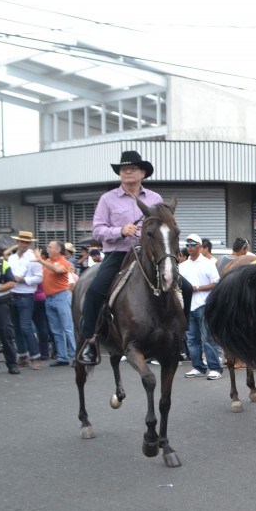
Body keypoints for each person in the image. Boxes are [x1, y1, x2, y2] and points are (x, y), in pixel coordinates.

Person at [78, 151, 191, 365]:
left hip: (149, 255)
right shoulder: (107, 199)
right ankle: (90, 341)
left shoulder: (155, 199)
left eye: (132, 168)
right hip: (119, 254)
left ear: (143, 173)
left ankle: (180, 335)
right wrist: (120, 231)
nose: (127, 171)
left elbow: (165, 228)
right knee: (94, 291)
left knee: (184, 287)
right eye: (123, 169)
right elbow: (97, 230)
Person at [179, 234, 223, 380]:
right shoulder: (182, 265)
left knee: (207, 339)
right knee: (192, 339)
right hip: (188, 306)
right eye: (187, 245)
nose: (189, 247)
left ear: (199, 246)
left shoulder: (208, 263)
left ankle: (215, 368)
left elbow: (216, 283)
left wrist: (197, 288)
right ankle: (197, 366)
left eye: (192, 244)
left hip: (203, 305)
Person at [6, 230, 43, 370]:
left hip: (26, 295)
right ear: (18, 242)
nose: (24, 244)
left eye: (27, 242)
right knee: (17, 328)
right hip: (13, 294)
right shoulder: (12, 258)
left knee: (25, 327)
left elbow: (39, 278)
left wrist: (22, 279)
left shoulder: (33, 258)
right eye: (22, 242)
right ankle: (22, 355)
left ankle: (35, 356)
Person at [37, 240, 75, 366]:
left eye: (50, 247)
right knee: (56, 330)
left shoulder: (64, 262)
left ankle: (75, 356)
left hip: (61, 297)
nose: (47, 249)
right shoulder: (47, 262)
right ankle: (62, 357)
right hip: (50, 298)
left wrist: (41, 261)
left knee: (68, 328)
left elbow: (58, 270)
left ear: (58, 250)